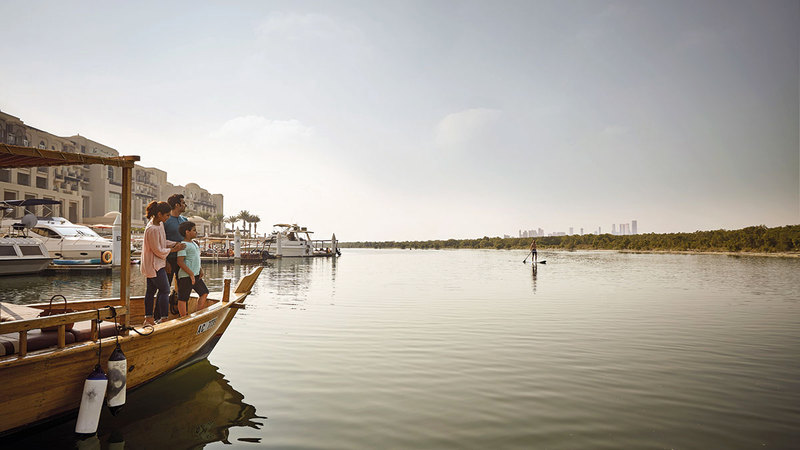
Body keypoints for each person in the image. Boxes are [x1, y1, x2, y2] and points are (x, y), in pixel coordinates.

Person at [141, 201, 185, 326]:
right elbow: (158, 250)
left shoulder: (159, 224)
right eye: (167, 215)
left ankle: (149, 319)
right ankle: (163, 318)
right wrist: (174, 249)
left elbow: (162, 241)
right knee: (165, 290)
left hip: (156, 264)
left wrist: (174, 244)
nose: (168, 218)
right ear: (159, 214)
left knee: (151, 291)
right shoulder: (152, 229)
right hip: (154, 265)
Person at [175, 221, 209, 316]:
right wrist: (191, 274)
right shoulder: (183, 245)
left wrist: (200, 269)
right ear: (187, 232)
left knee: (204, 292)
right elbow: (180, 261)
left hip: (196, 275)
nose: (196, 232)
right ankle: (183, 318)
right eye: (194, 230)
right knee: (183, 298)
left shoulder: (194, 243)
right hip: (186, 276)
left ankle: (198, 314)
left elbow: (196, 258)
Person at [163, 194, 188, 285]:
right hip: (169, 258)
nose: (185, 205)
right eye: (183, 203)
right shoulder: (165, 220)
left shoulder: (185, 220)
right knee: (166, 286)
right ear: (177, 205)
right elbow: (161, 241)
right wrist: (165, 262)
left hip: (183, 259)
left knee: (183, 286)